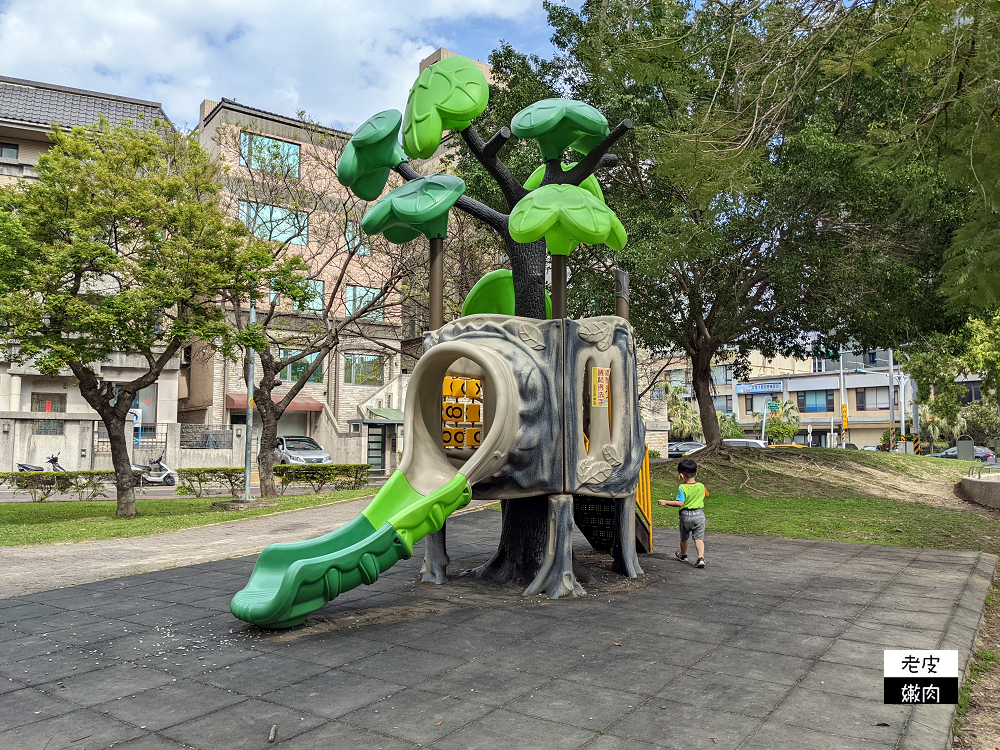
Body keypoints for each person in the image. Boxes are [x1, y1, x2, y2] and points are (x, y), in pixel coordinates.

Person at [658, 458, 708, 568]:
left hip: (686, 516)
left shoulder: (682, 487)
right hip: (699, 515)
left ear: (681, 475)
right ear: (696, 473)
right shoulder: (701, 485)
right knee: (699, 538)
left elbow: (680, 503)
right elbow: (706, 494)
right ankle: (700, 557)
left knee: (684, 537)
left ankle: (684, 555)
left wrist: (665, 502)